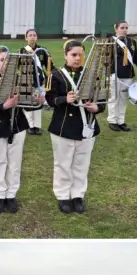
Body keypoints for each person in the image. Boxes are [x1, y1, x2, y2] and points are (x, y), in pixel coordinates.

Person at [46, 40, 106, 215]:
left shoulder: (91, 74)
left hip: (86, 126)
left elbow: (101, 99)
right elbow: (50, 100)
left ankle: (78, 195)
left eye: (80, 54)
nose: (77, 58)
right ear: (65, 55)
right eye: (73, 54)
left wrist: (97, 108)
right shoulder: (55, 75)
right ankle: (63, 195)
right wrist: (65, 99)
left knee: (82, 163)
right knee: (63, 163)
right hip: (63, 127)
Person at [0, 46, 29, 214]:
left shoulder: (21, 80)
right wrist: (4, 106)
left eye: (8, 60)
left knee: (15, 164)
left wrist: (36, 99)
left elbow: (28, 105)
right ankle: (0, 195)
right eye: (2, 60)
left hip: (17, 127)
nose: (5, 63)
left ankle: (11, 195)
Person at [107, 20, 137, 132]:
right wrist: (110, 73)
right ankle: (112, 120)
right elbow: (106, 60)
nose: (125, 30)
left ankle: (121, 121)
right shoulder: (110, 41)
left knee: (123, 98)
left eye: (126, 28)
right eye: (122, 28)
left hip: (128, 75)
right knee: (114, 98)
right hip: (115, 75)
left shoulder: (132, 42)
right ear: (116, 29)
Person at [19, 28, 50, 135]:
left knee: (37, 102)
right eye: (30, 35)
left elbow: (49, 65)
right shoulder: (22, 51)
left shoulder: (42, 50)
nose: (32, 37)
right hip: (26, 81)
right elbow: (17, 67)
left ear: (37, 37)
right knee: (28, 103)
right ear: (26, 38)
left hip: (39, 80)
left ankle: (36, 126)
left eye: (34, 35)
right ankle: (30, 125)